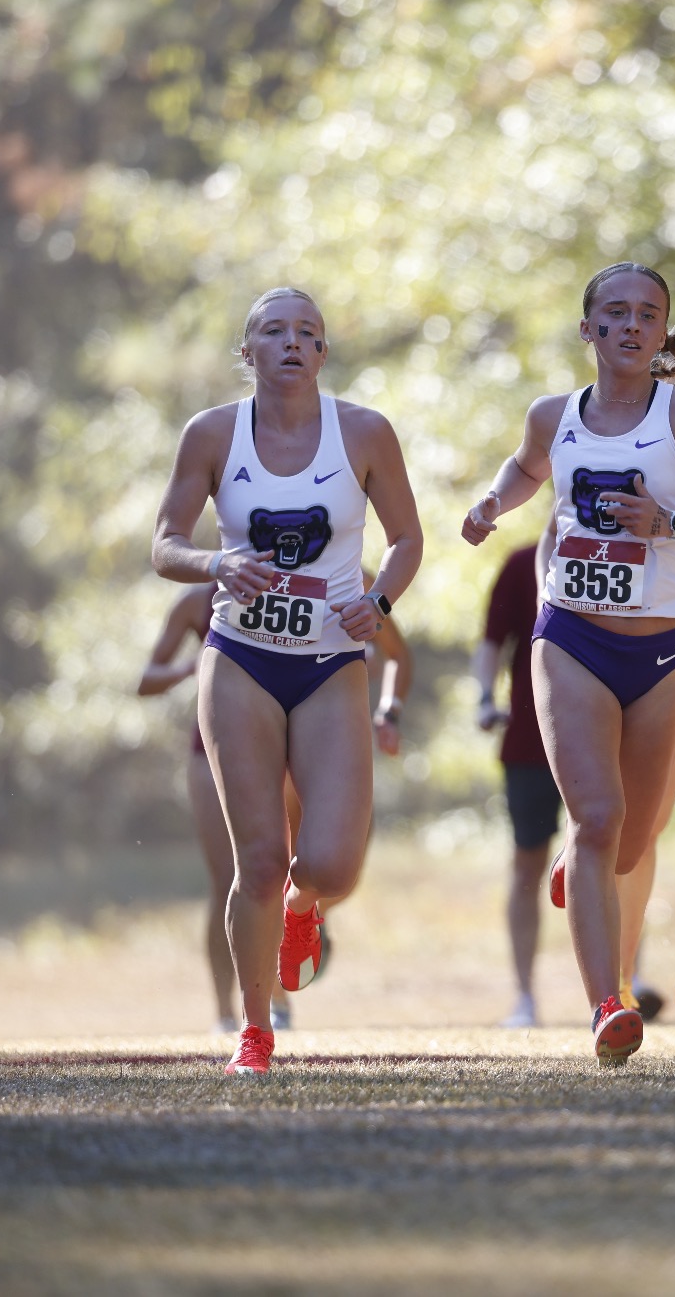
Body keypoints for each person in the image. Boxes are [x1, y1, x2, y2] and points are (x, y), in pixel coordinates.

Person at [462, 265, 675, 1066]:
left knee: (628, 839)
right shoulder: (553, 416)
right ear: (588, 329)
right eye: (615, 313)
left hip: (662, 646)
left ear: (662, 335)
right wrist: (493, 503)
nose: (632, 326)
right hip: (572, 640)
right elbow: (525, 470)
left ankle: (582, 869)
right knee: (597, 819)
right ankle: (607, 1003)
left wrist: (672, 521)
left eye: (648, 315)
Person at [151, 286, 422, 1075]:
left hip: (334, 660)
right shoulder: (211, 434)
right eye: (275, 331)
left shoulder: (364, 432)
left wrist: (379, 602)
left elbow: (407, 538)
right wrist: (216, 562)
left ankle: (306, 913)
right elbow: (165, 543)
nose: (293, 342)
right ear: (250, 352)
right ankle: (255, 1029)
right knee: (259, 860)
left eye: (308, 331)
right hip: (239, 659)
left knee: (333, 864)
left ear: (323, 352)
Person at [141, 575, 411, 1035]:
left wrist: (388, 711)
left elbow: (397, 656)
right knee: (236, 876)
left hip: (313, 738)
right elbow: (147, 679)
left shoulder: (349, 574)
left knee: (320, 869)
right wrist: (199, 665)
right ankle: (232, 1014)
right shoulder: (197, 601)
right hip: (222, 746)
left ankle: (295, 943)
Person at [474, 543, 559, 1029]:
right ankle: (525, 997)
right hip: (528, 742)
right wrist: (485, 698)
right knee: (528, 863)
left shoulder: (637, 548)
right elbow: (491, 643)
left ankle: (625, 983)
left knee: (616, 856)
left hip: (603, 739)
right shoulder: (519, 562)